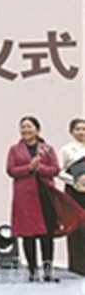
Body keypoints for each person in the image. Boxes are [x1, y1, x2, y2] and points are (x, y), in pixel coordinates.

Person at [7, 116, 85, 282]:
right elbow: (11, 170)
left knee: (47, 234)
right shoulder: (14, 150)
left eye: (29, 127)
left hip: (45, 195)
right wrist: (29, 168)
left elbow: (55, 169)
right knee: (28, 235)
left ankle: (48, 271)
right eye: (23, 127)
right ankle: (33, 271)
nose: (26, 130)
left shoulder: (47, 149)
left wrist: (39, 168)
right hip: (25, 197)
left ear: (37, 129)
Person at [59, 118, 85, 275]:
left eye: (84, 129)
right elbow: (58, 171)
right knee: (77, 226)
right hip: (74, 192)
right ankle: (78, 265)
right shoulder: (67, 150)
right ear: (71, 131)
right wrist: (75, 180)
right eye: (78, 129)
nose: (81, 132)